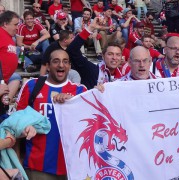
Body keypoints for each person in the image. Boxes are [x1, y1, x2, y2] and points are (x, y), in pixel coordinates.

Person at [16, 48, 87, 180]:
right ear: (48, 66)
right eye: (56, 61)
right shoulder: (31, 86)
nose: (61, 65)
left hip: (72, 167)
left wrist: (100, 92)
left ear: (69, 66)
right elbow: (15, 123)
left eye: (65, 61)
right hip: (38, 167)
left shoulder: (80, 90)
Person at [67, 17, 123, 89]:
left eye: (118, 55)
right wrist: (90, 28)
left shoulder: (125, 77)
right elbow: (72, 50)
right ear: (103, 56)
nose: (114, 58)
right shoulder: (91, 70)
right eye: (110, 54)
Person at [0, 11, 21, 105]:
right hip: (1, 79)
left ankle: (5, 104)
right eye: (15, 24)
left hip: (6, 78)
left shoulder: (9, 37)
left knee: (16, 78)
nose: (17, 28)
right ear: (5, 24)